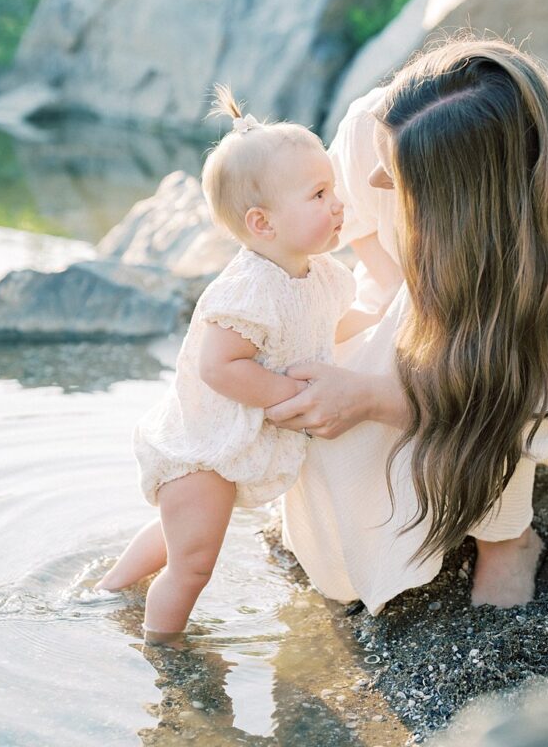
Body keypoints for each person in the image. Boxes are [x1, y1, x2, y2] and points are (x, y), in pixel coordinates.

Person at [264, 37, 548, 614]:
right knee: (336, 459)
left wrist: (375, 397)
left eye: (398, 177)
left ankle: (507, 540)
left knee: (475, 381)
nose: (374, 180)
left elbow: (534, 399)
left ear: (467, 198)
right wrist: (400, 297)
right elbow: (363, 227)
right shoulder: (381, 122)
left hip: (524, 349)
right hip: (412, 291)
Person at [96, 88, 378, 643]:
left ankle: (110, 590)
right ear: (262, 223)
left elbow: (327, 324)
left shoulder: (318, 274)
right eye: (319, 194)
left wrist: (383, 319)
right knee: (194, 564)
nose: (338, 204)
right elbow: (220, 366)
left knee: (181, 535)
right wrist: (288, 396)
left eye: (333, 189)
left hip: (230, 442)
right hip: (201, 448)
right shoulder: (247, 290)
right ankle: (163, 651)